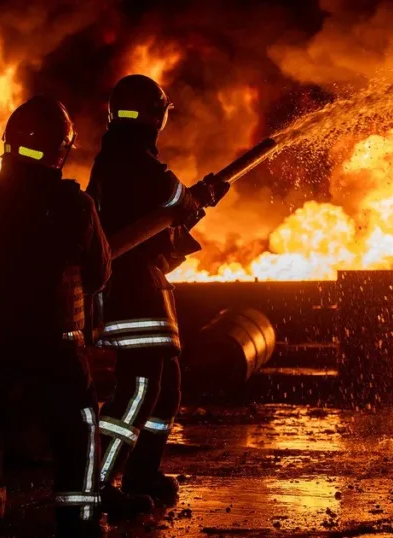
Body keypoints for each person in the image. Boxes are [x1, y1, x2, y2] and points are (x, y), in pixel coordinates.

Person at [0, 96, 112, 538]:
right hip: (54, 340)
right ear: (62, 149)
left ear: (8, 142)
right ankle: (77, 521)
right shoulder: (74, 205)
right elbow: (99, 275)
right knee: (77, 426)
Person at [86, 74, 228, 518]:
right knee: (140, 390)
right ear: (158, 115)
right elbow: (173, 198)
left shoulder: (121, 158)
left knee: (164, 393)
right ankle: (98, 483)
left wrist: (195, 201)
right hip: (133, 295)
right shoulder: (131, 160)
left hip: (144, 288)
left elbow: (167, 218)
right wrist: (198, 196)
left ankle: (142, 472)